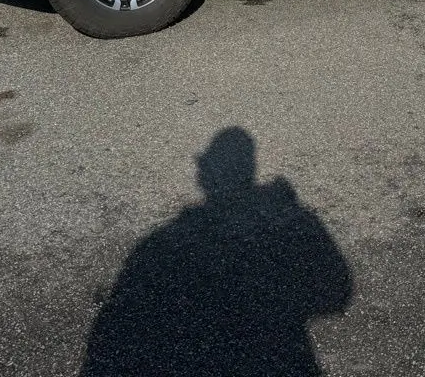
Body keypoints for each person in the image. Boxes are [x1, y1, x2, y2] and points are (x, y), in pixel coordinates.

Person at [82, 127, 352, 376]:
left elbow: (114, 333)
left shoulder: (166, 244)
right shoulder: (286, 225)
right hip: (277, 360)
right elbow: (336, 291)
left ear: (205, 176)